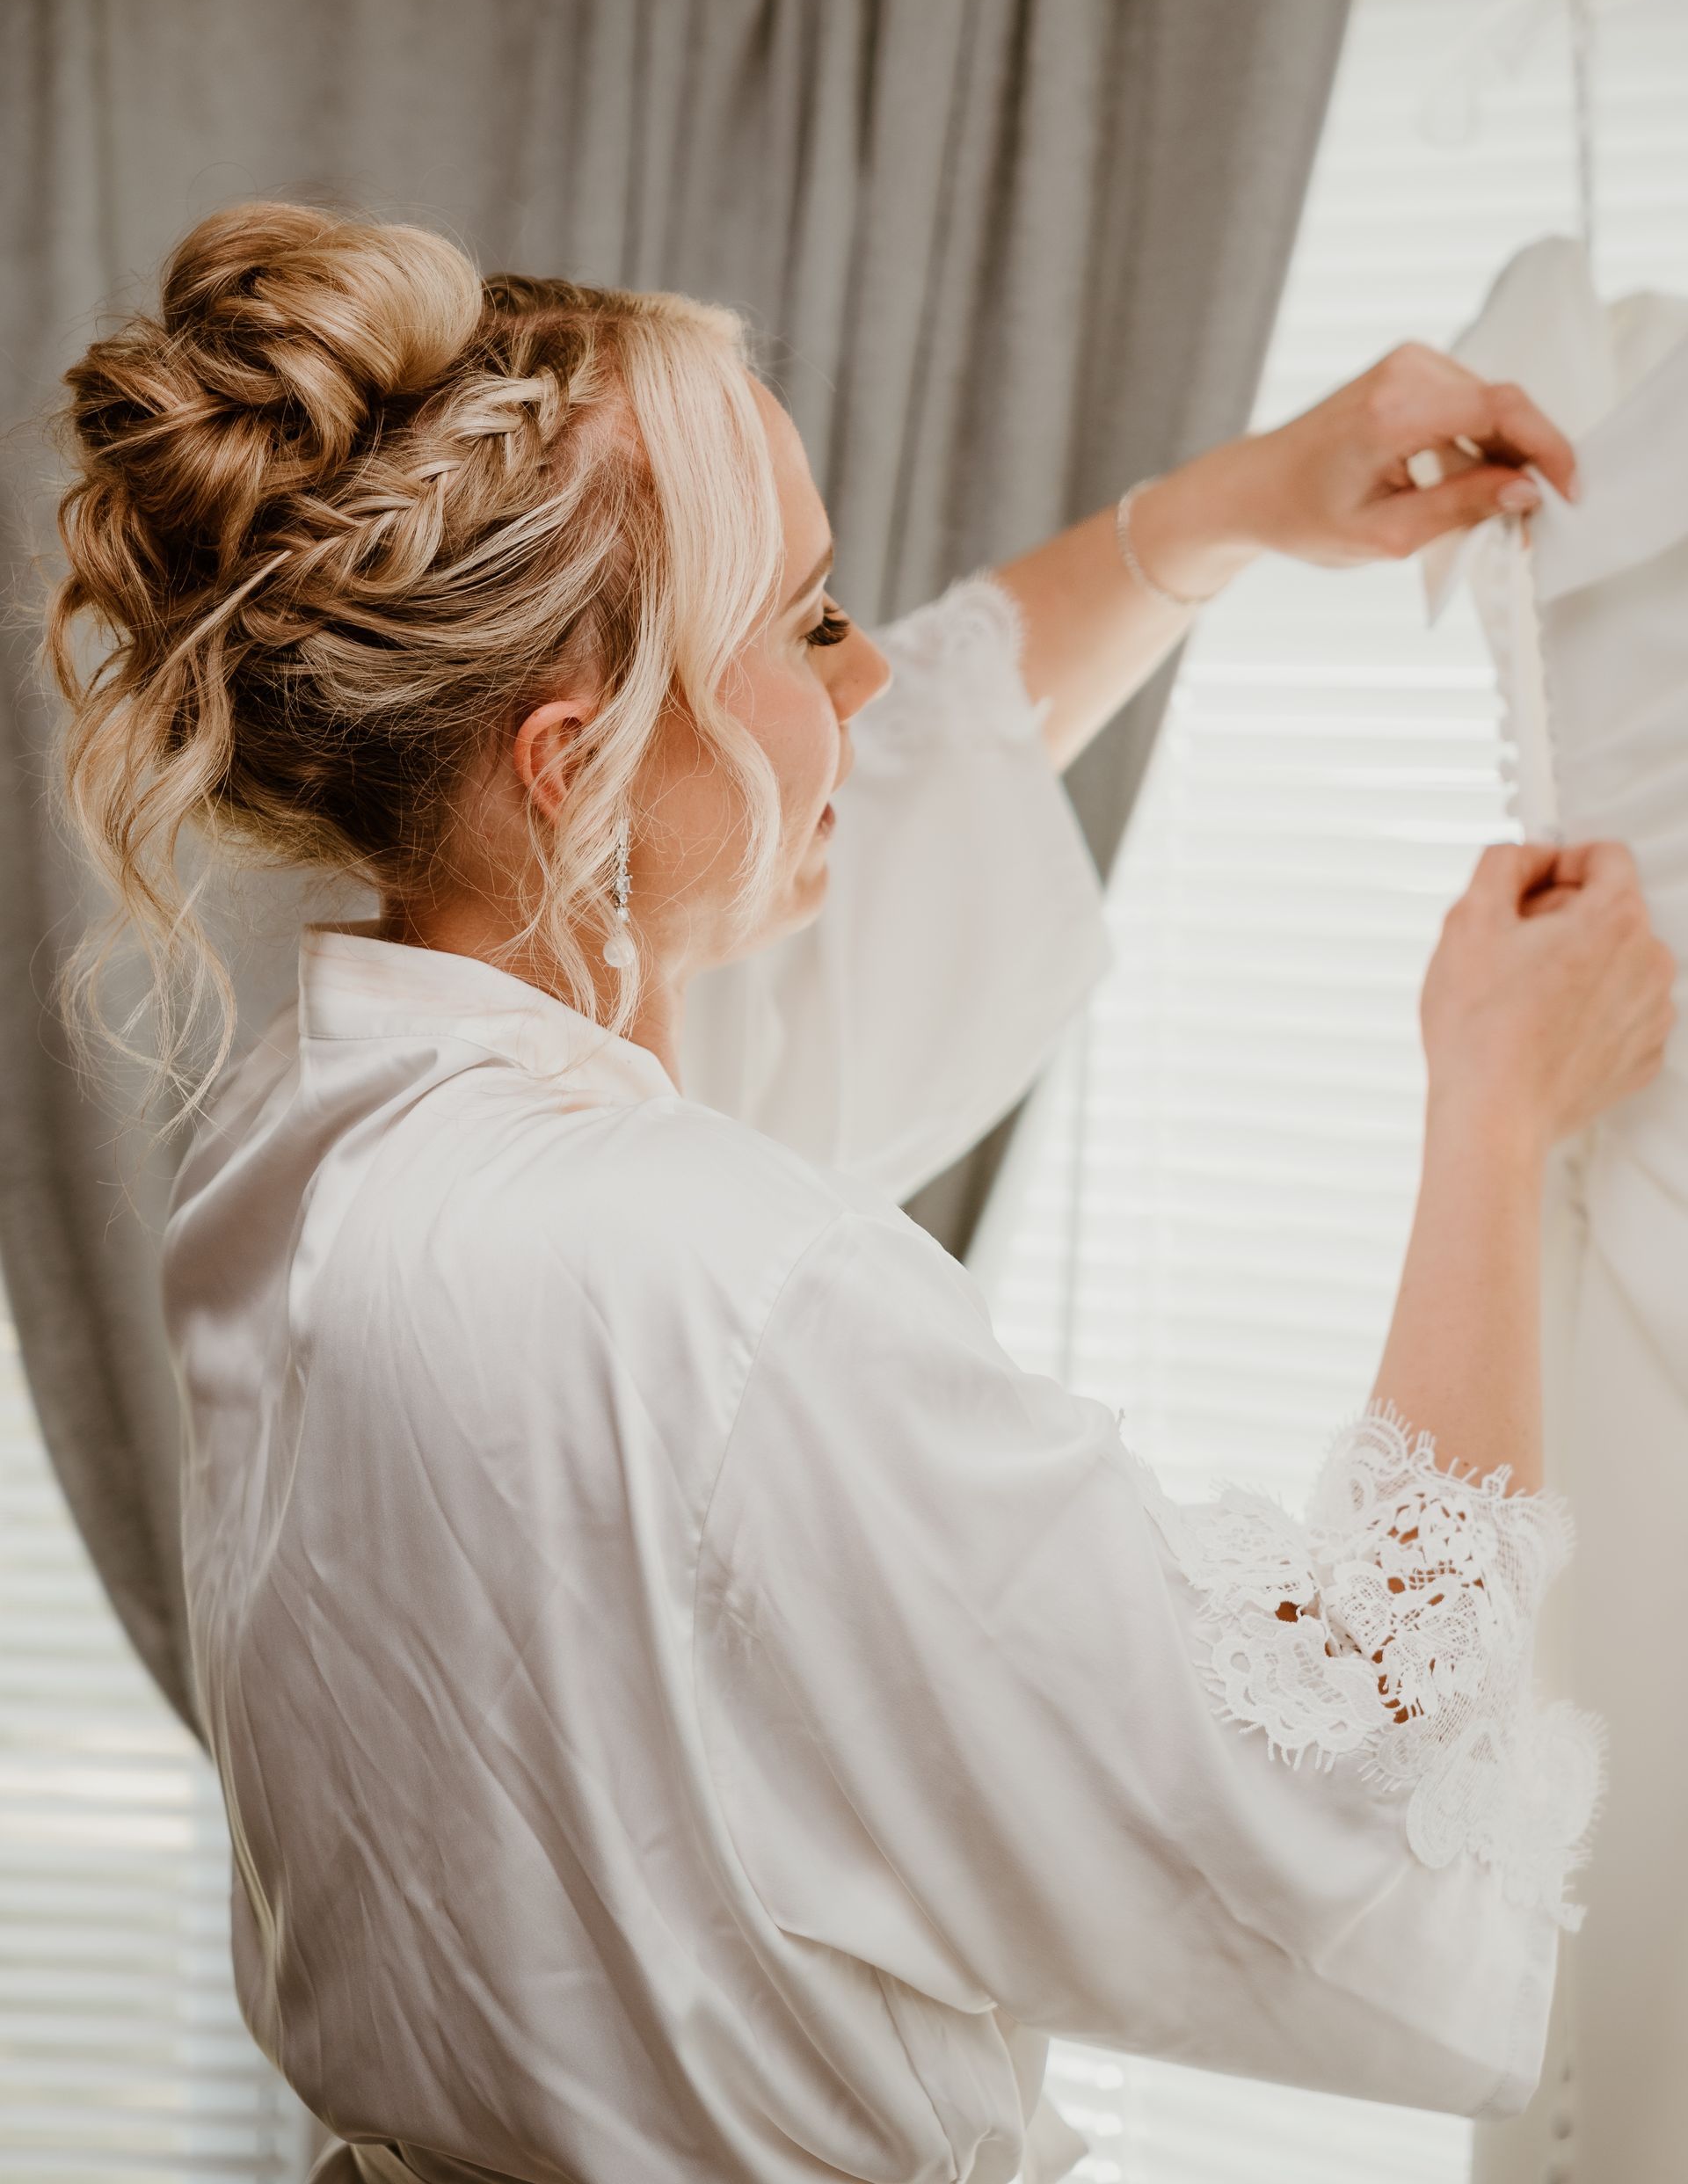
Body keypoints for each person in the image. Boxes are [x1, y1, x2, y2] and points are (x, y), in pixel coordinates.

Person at [47, 203, 1674, 2184]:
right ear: (575, 767)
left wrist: (1224, 515)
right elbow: (1362, 1850)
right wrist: (1494, 1118)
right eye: (812, 619)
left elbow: (868, 833)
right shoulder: (724, 1292)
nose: (875, 677)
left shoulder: (312, 1142)